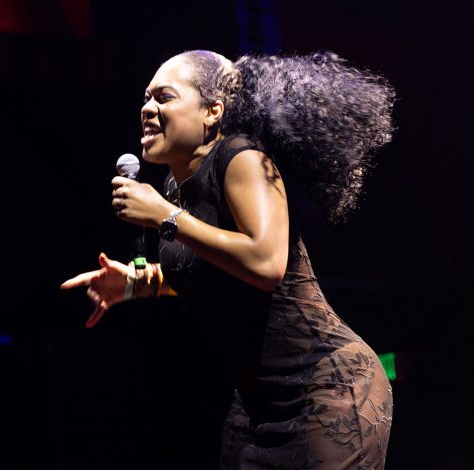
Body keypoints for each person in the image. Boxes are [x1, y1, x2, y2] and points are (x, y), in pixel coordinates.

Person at [60, 49, 395, 469]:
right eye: (145, 98)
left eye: (164, 97)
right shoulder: (176, 187)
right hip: (257, 403)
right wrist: (137, 283)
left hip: (326, 388)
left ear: (212, 112)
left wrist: (165, 217)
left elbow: (265, 263)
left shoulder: (242, 158)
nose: (147, 108)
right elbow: (210, 269)